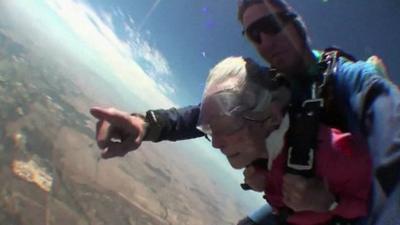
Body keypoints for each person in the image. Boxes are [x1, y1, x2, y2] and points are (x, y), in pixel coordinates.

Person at [90, 0, 400, 224]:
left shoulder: (350, 79)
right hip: (292, 206)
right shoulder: (268, 86)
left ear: (296, 21)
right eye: (254, 35)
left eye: (271, 25)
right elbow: (207, 117)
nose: (265, 40)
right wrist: (145, 124)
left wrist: (329, 201)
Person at [196, 56, 372, 225]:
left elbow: (377, 202)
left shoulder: (329, 150)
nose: (215, 143)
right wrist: (263, 174)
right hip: (284, 214)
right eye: (211, 129)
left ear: (271, 116)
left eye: (227, 125)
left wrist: (329, 203)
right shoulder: (263, 144)